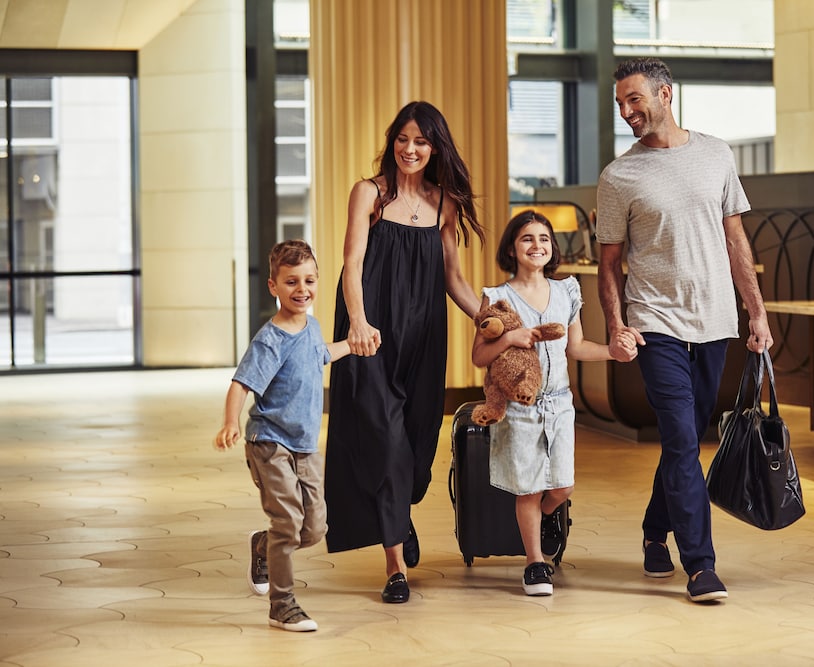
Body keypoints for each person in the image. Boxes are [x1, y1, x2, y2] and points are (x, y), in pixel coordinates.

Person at [596, 57, 773, 604]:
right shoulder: (618, 176)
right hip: (656, 325)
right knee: (679, 437)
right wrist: (618, 326)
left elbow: (735, 240)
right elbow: (609, 265)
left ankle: (655, 528)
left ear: (665, 94)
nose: (627, 112)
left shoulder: (717, 155)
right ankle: (700, 566)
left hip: (715, 320)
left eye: (634, 100)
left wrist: (757, 312)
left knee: (685, 441)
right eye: (620, 104)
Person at [325, 101, 485, 604]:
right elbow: (351, 264)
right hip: (369, 334)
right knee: (387, 442)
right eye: (402, 139)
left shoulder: (444, 204)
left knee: (416, 454)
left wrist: (497, 321)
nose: (410, 149)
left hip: (424, 337)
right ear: (392, 141)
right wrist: (357, 322)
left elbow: (453, 280)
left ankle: (400, 510)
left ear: (434, 147)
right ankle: (395, 567)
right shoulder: (369, 194)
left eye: (420, 141)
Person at [472, 210, 614, 596]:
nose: (537, 245)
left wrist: (613, 352)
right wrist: (508, 340)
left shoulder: (567, 291)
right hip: (519, 409)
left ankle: (545, 519)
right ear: (513, 249)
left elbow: (578, 347)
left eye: (544, 239)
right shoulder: (497, 298)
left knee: (562, 487)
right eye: (527, 239)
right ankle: (535, 563)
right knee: (529, 490)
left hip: (559, 405)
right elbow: (480, 358)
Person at [214, 240, 350, 632]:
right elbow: (241, 383)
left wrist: (353, 347)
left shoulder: (312, 325)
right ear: (273, 286)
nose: (301, 289)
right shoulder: (269, 339)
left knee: (314, 528)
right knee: (289, 523)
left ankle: (263, 545)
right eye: (291, 282)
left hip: (306, 445)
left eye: (309, 280)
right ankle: (282, 605)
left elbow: (319, 353)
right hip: (270, 442)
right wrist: (230, 422)